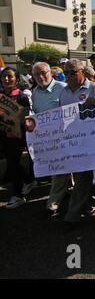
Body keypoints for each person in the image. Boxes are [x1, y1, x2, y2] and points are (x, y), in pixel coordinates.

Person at [60, 59, 95, 231]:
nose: (69, 76)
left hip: (93, 141)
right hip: (73, 142)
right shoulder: (63, 93)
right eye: (66, 74)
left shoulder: (94, 88)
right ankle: (84, 206)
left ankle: (73, 215)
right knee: (81, 177)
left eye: (72, 72)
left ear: (82, 72)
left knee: (86, 177)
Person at [31, 62, 69, 216]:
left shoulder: (63, 88)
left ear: (50, 72)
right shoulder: (35, 92)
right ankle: (66, 192)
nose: (41, 77)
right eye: (37, 74)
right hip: (48, 140)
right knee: (58, 170)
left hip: (65, 136)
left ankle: (52, 204)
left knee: (59, 170)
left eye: (43, 73)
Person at [1, 67, 36, 209]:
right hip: (3, 135)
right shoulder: (1, 94)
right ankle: (28, 180)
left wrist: (14, 126)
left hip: (17, 136)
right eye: (4, 76)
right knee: (11, 161)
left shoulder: (21, 96)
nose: (6, 79)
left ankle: (18, 196)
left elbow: (25, 117)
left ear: (16, 79)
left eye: (10, 76)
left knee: (13, 163)